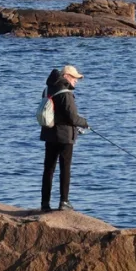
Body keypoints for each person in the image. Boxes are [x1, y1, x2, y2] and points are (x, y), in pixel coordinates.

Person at [40, 63, 88, 212]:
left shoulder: (47, 89)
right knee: (65, 169)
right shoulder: (66, 93)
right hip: (65, 137)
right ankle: (64, 202)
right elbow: (73, 118)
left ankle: (45, 204)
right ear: (66, 76)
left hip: (49, 134)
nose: (76, 81)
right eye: (74, 78)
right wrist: (85, 123)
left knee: (48, 169)